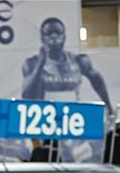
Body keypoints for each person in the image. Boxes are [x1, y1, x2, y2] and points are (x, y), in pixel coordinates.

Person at [22, 17, 113, 163]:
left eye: (57, 33)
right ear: (42, 38)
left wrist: (108, 106)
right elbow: (26, 95)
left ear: (64, 36)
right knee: (48, 158)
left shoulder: (79, 60)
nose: (53, 37)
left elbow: (97, 79)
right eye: (49, 34)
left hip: (72, 120)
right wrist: (40, 64)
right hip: (46, 120)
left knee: (82, 157)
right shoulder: (32, 63)